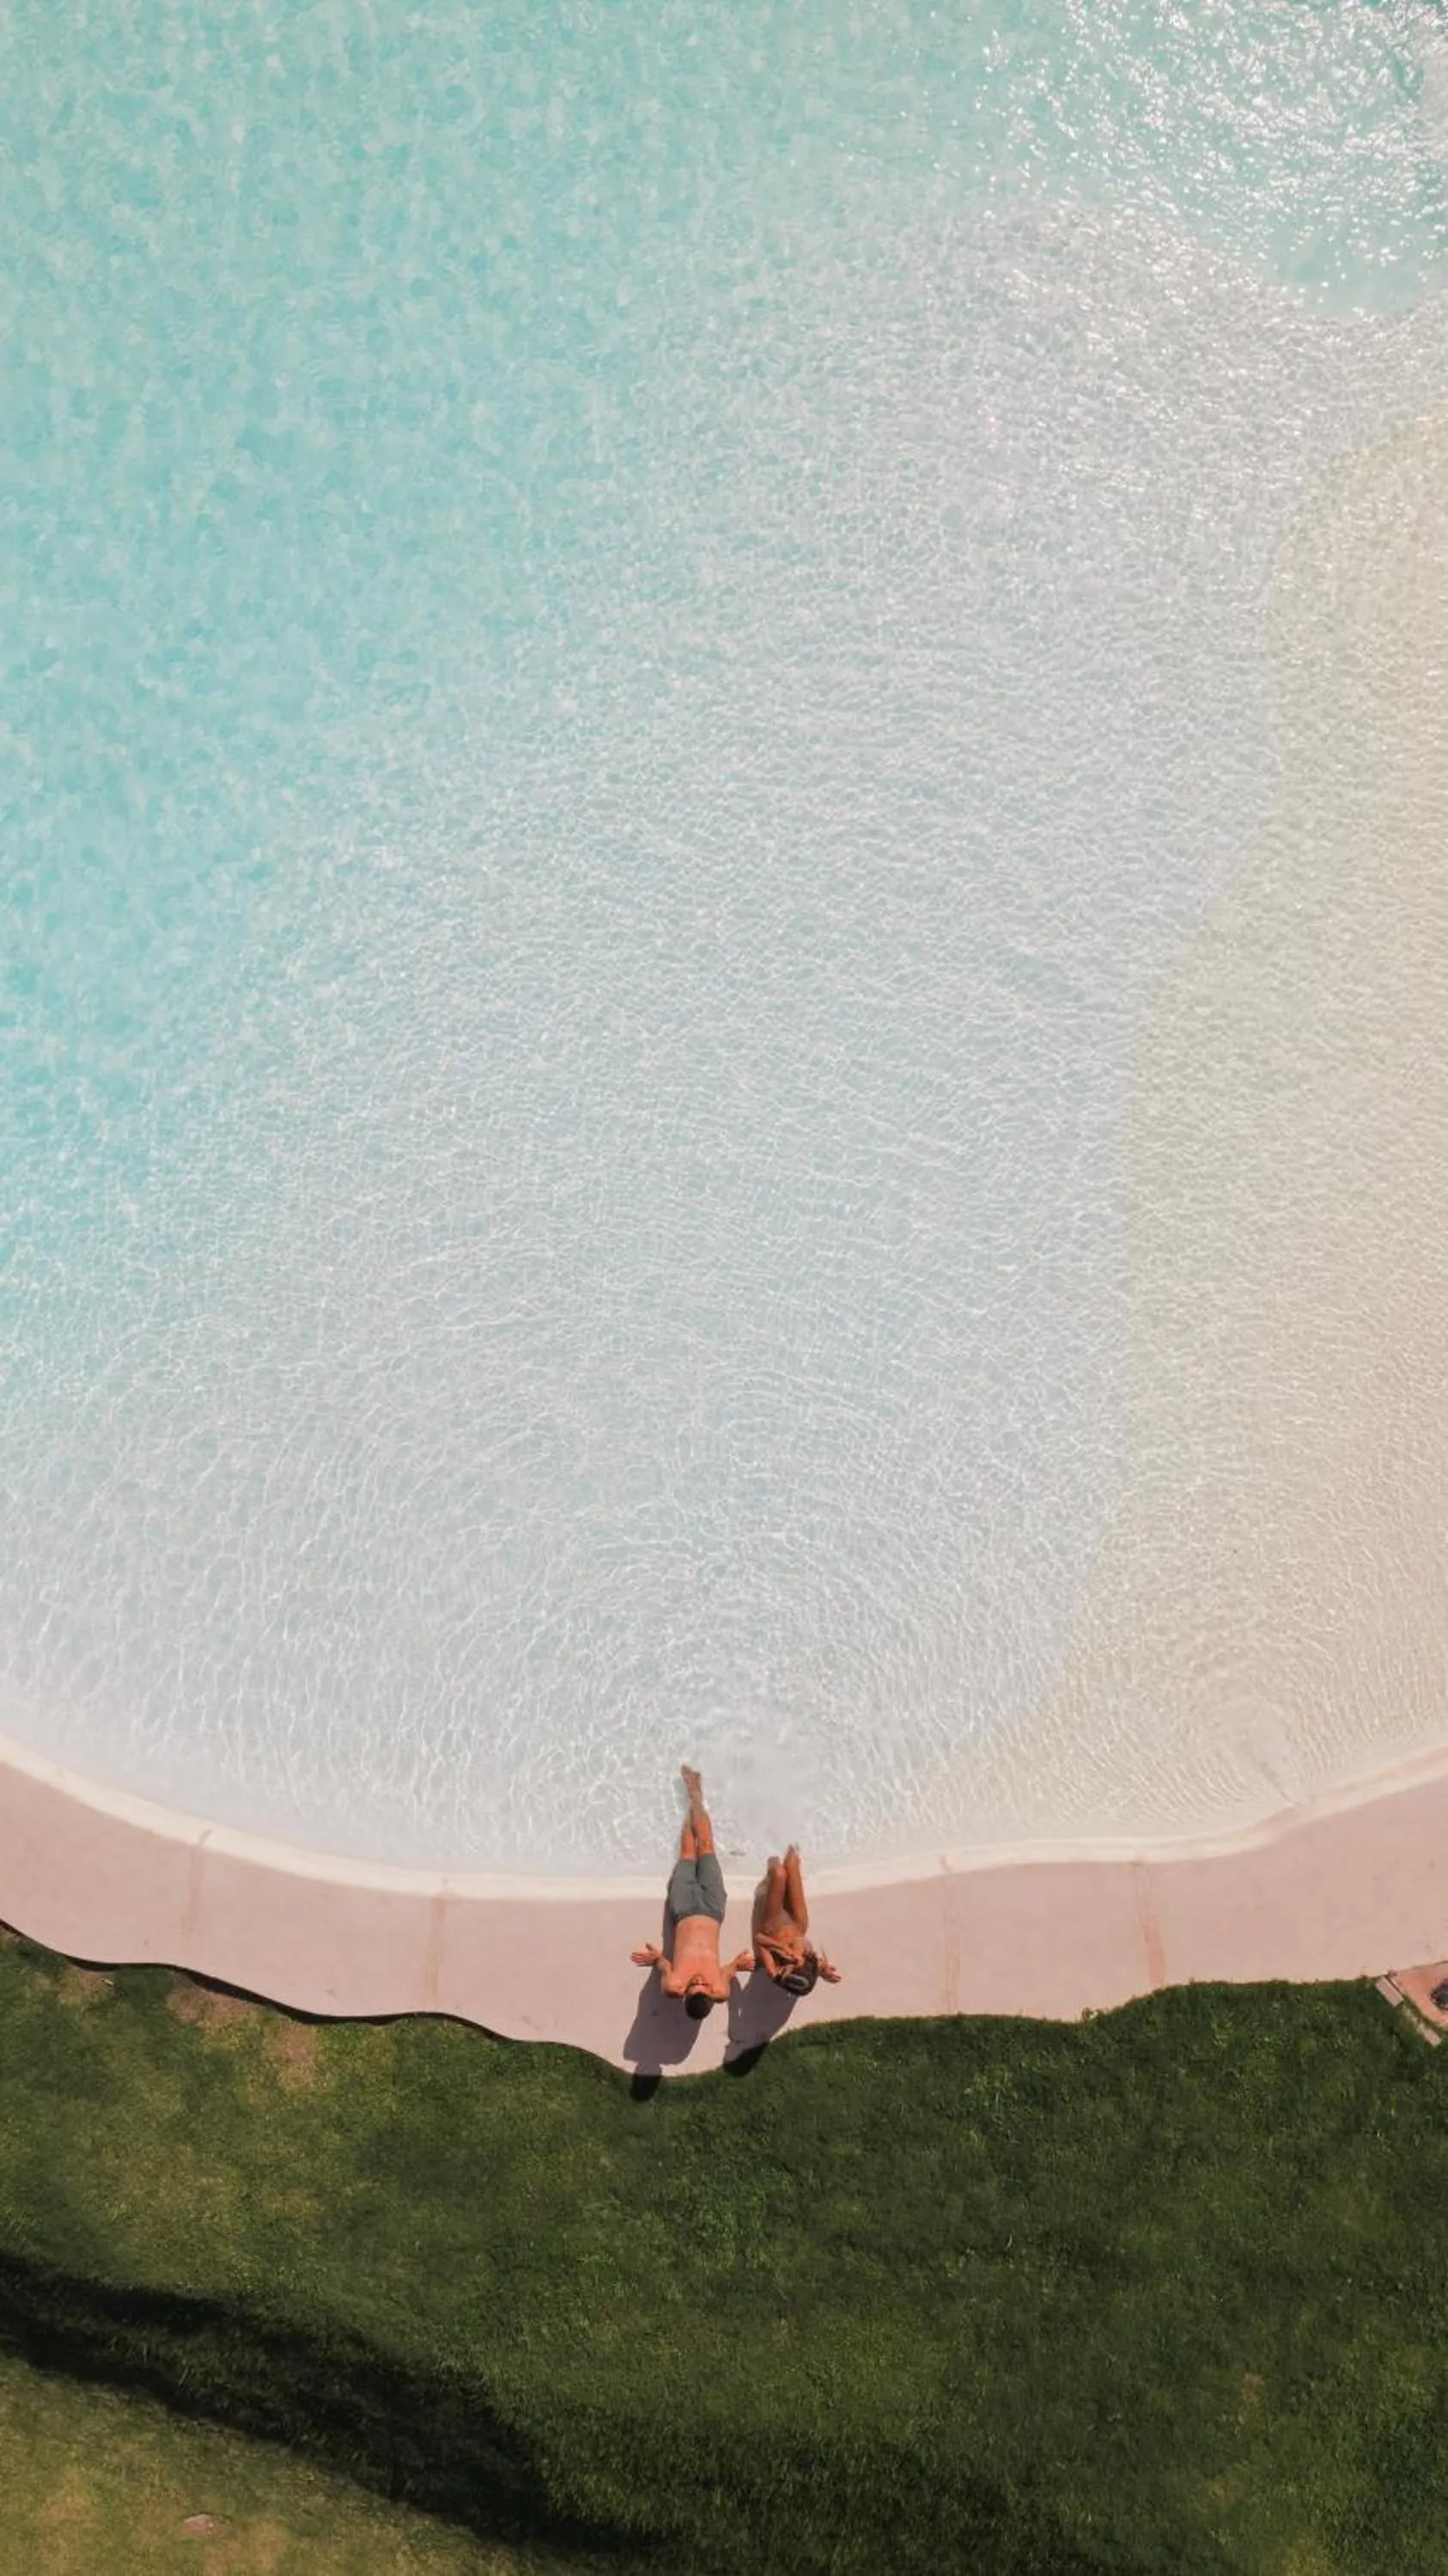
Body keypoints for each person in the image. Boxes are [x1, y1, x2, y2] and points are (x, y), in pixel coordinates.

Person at [631, 1767, 753, 2020]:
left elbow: (664, 1965)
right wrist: (737, 1966)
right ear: (711, 1994)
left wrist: (656, 1958)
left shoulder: (673, 1985)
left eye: (693, 1985)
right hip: (712, 1907)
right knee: (707, 1846)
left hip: (683, 1908)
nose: (698, 1980)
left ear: (685, 1994)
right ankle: (696, 1796)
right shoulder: (720, 1990)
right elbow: (729, 1971)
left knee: (688, 1852)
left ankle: (691, 1809)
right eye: (703, 1984)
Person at [753, 1844, 842, 1996]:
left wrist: (782, 1949)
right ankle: (791, 1839)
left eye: (786, 1971)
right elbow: (813, 1960)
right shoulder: (808, 1968)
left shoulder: (773, 1970)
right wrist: (822, 1971)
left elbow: (759, 1938)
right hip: (798, 1924)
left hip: (775, 1923)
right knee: (792, 1862)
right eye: (794, 1966)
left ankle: (767, 1849)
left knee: (779, 1873)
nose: (785, 1969)